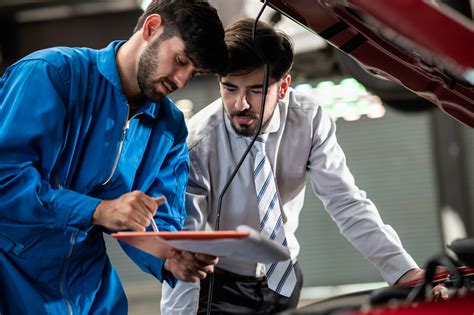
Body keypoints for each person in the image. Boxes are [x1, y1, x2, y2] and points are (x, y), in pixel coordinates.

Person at [160, 18, 428, 314]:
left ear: (284, 86)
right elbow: (186, 246)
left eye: (256, 90)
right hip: (220, 289)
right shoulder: (197, 143)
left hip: (285, 280)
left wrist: (403, 272)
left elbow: (345, 202)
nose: (241, 104)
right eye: (230, 88)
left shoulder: (309, 120)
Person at [0, 0, 228, 314]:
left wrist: (169, 255)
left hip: (88, 285)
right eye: (180, 60)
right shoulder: (50, 75)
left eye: (194, 72)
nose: (181, 81)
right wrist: (98, 210)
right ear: (151, 28)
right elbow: (5, 178)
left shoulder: (169, 127)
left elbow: (159, 216)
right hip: (13, 275)